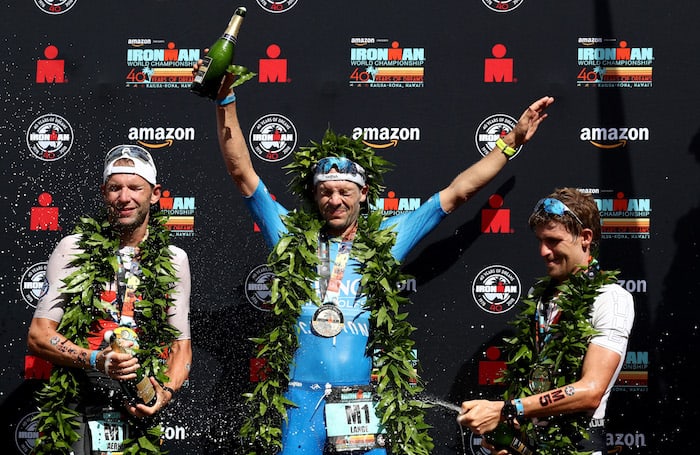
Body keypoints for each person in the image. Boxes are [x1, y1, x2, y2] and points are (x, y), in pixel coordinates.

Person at [207, 62, 554, 454]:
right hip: (299, 400)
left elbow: (458, 192)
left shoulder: (389, 237)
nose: (335, 200)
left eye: (345, 191)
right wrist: (226, 98)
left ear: (364, 193)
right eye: (326, 192)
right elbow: (241, 172)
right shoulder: (289, 234)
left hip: (358, 402)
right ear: (314, 195)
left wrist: (512, 141)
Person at [27, 145, 192, 454]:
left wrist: (164, 393)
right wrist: (94, 359)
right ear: (104, 192)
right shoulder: (72, 248)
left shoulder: (174, 259)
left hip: (138, 400)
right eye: (115, 187)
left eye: (135, 187)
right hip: (78, 401)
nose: (124, 197)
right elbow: (39, 336)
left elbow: (181, 349)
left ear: (154, 194)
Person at [457, 188, 635, 455]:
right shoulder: (538, 296)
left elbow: (591, 391)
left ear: (585, 238)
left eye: (553, 240)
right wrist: (510, 433)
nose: (543, 251)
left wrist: (507, 409)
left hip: (578, 447)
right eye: (540, 240)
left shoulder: (611, 298)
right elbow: (535, 384)